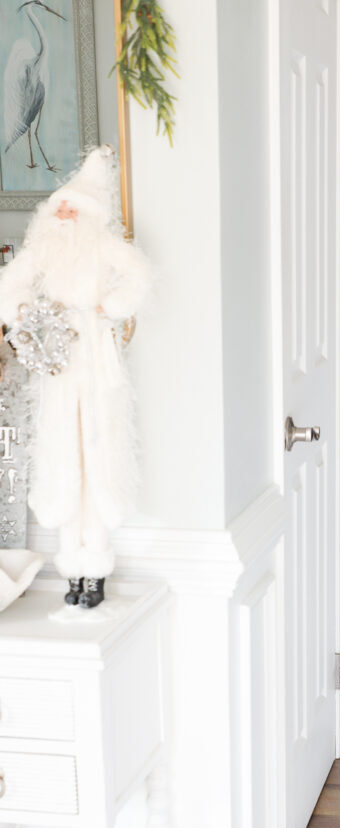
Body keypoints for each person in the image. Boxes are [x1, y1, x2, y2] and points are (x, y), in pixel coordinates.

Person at [0, 145, 151, 607]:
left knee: (97, 450)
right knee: (63, 453)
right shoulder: (42, 250)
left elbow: (138, 278)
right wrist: (26, 315)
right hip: (58, 364)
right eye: (60, 204)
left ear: (89, 215)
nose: (63, 211)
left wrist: (107, 308)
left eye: (73, 206)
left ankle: (96, 566)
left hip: (95, 364)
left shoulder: (104, 247)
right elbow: (10, 285)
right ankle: (72, 567)